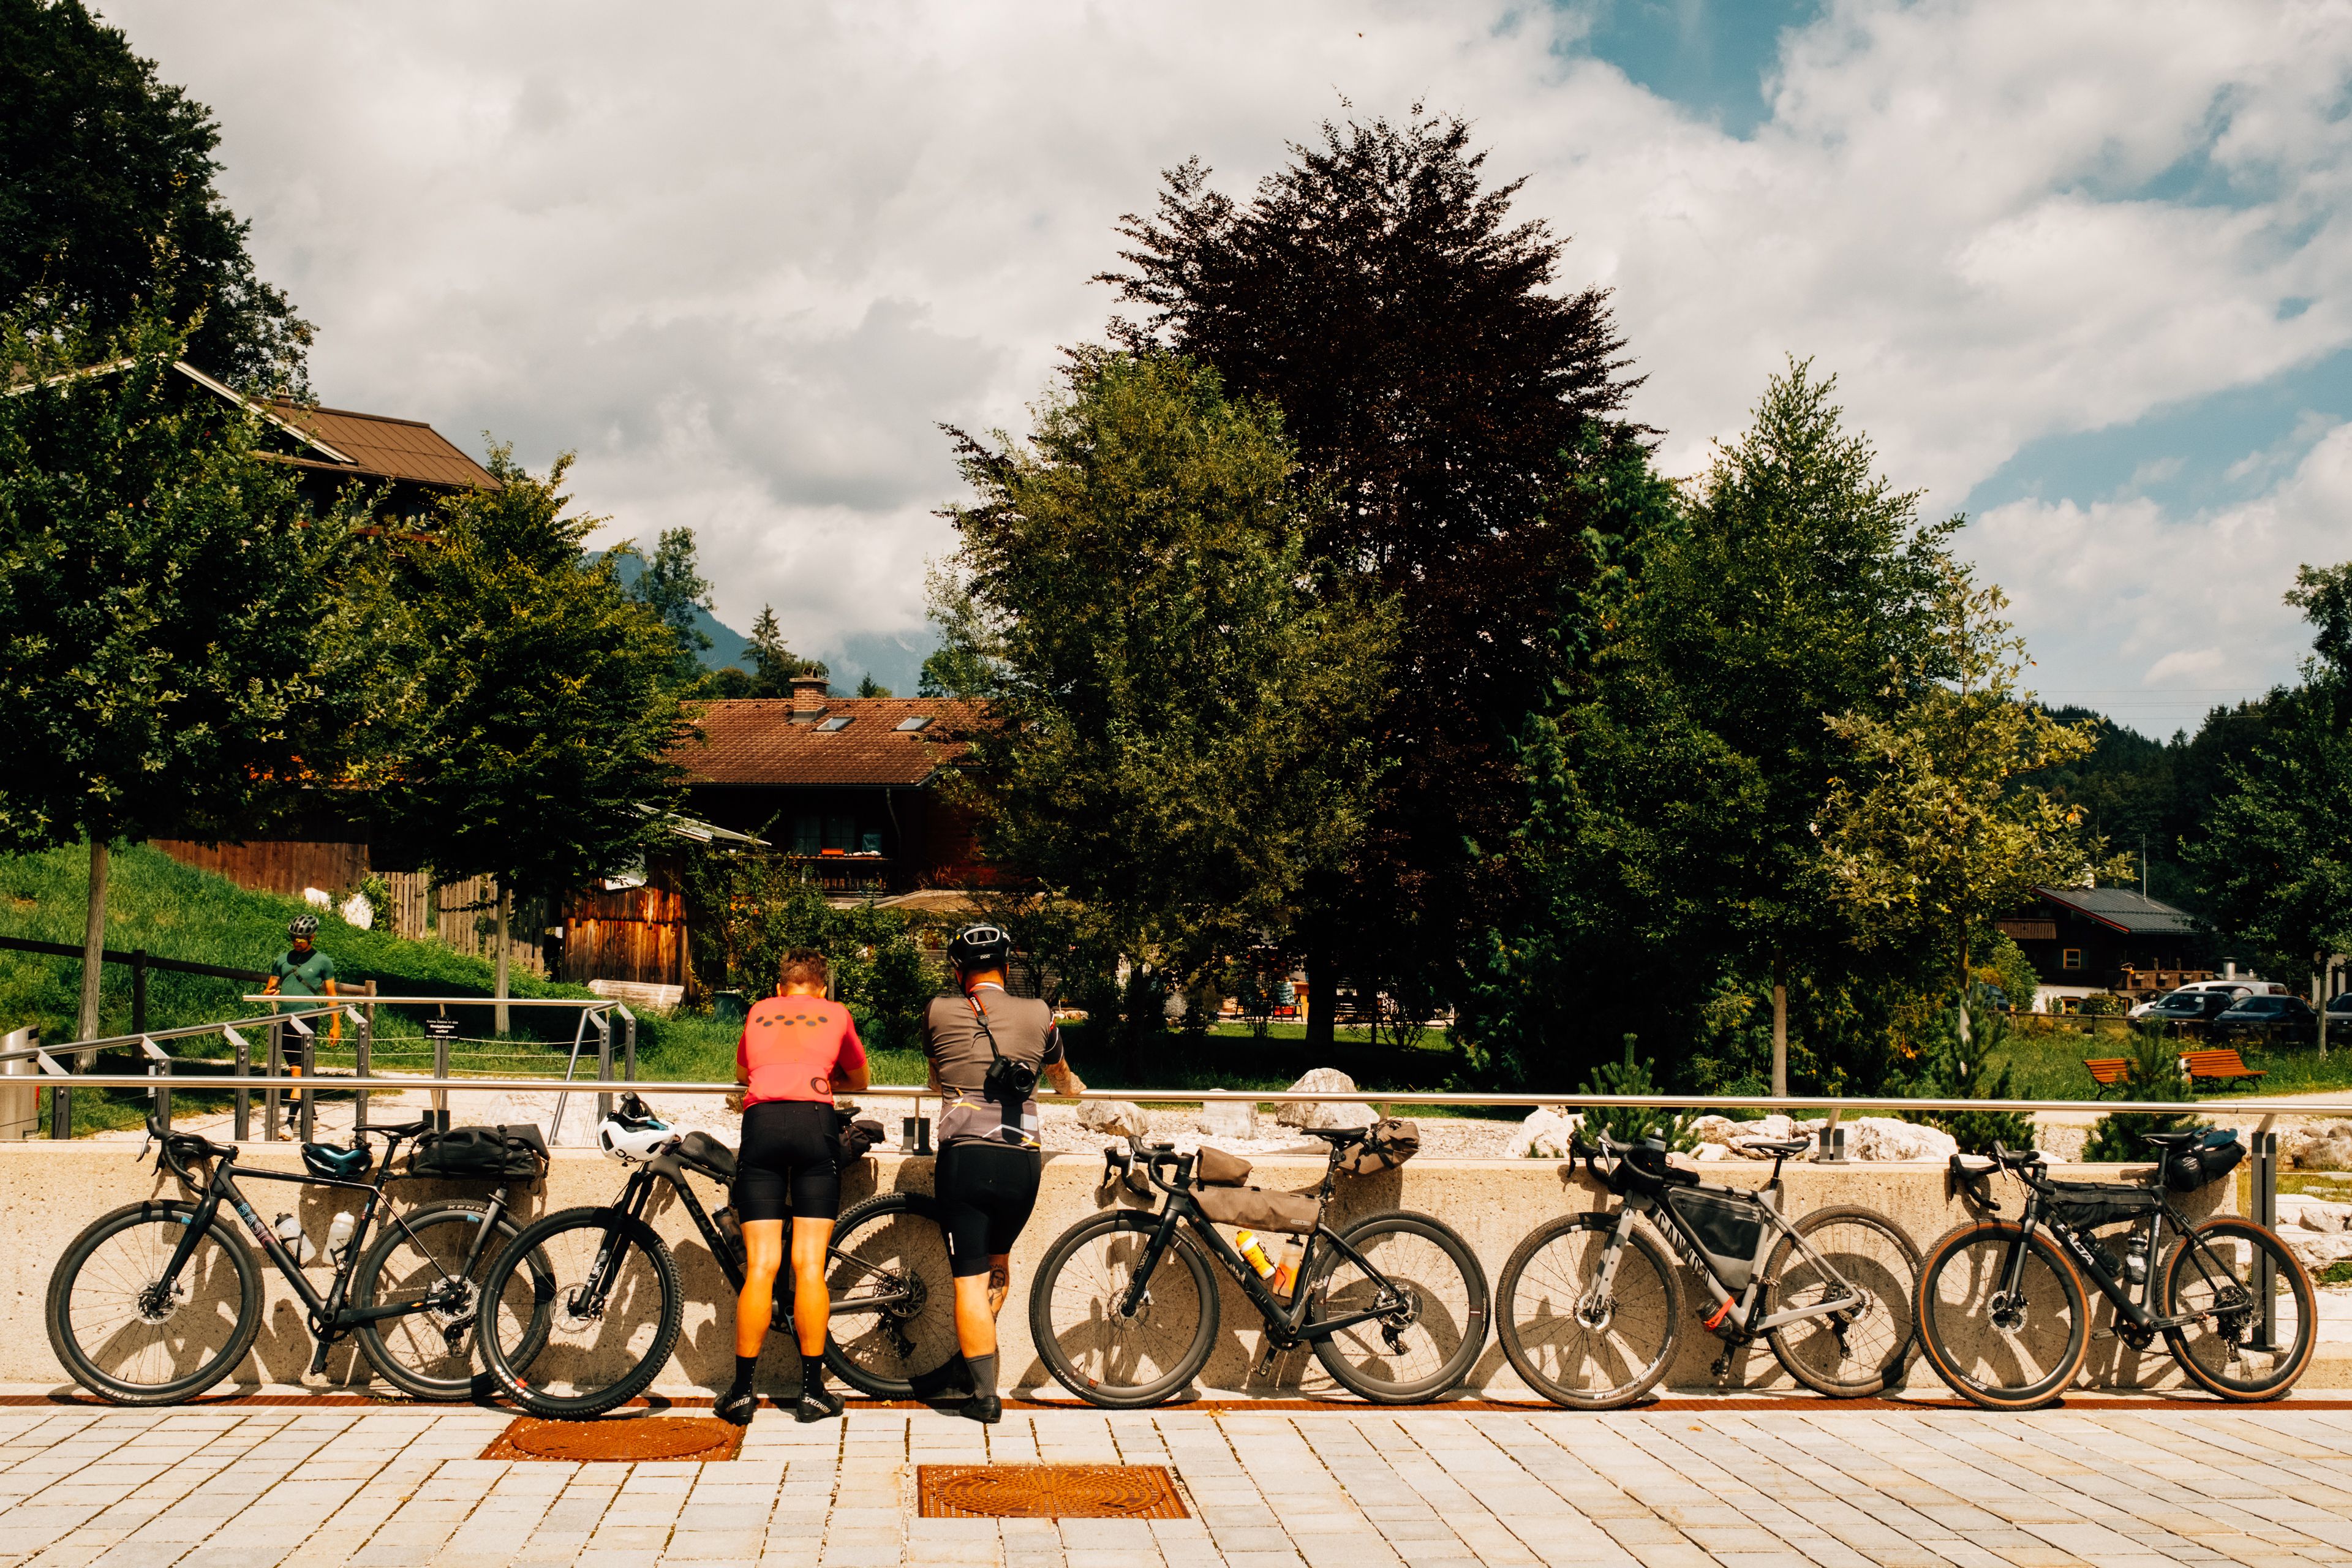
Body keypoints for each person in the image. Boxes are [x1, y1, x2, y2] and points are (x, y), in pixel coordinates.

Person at [922, 924, 1085, 1423]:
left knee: (968, 1282)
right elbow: (1064, 1082)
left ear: (958, 972)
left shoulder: (937, 1010)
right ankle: (973, 1360)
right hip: (1021, 1163)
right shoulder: (1040, 1013)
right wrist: (1076, 1089)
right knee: (998, 1262)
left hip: (965, 1160)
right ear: (1007, 968)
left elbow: (935, 1079)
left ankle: (984, 1395)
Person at [719, 949, 869, 1425]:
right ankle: (811, 1393)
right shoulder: (836, 1012)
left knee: (762, 1266)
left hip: (761, 1124)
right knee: (808, 1266)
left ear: (780, 988)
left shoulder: (759, 1011)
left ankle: (741, 1394)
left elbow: (742, 1074)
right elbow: (862, 1079)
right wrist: (827, 1074)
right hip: (813, 1123)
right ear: (822, 988)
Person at [260, 914, 339, 1137]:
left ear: (312, 937)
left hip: (307, 1020)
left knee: (298, 1071)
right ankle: (312, 1117)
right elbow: (269, 988)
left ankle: (289, 1123)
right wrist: (268, 993)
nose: (297, 942)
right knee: (297, 1070)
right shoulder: (282, 959)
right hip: (284, 1019)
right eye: (294, 938)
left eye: (302, 938)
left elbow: (331, 994)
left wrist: (336, 1024)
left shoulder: (323, 962)